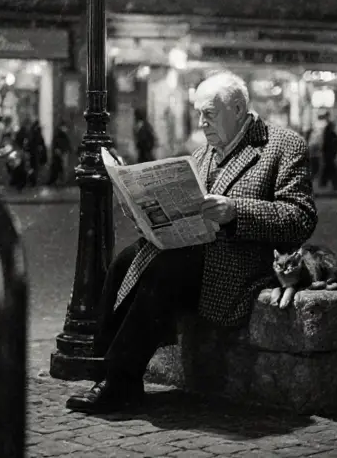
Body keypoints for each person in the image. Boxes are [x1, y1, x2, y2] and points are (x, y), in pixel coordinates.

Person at [65, 71, 317, 414]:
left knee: (164, 270)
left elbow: (300, 217)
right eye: (198, 113)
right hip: (196, 253)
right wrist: (145, 214)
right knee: (126, 260)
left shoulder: (283, 146)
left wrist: (235, 211)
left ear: (239, 109)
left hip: (240, 263)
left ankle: (121, 381)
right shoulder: (202, 155)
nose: (201, 123)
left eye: (209, 114)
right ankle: (106, 368)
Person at [319, 115, 337, 192]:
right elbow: (336, 142)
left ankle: (324, 182)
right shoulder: (331, 133)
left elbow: (325, 144)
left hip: (328, 154)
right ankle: (335, 184)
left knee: (328, 168)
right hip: (330, 154)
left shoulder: (327, 133)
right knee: (332, 169)